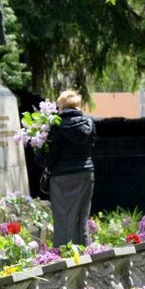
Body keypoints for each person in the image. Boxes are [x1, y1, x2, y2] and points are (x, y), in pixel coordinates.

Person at [38, 90, 96, 247]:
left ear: (61, 106)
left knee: (63, 219)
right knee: (82, 217)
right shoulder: (89, 124)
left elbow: (48, 158)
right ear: (77, 105)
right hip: (86, 173)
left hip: (61, 177)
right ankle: (84, 256)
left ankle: (65, 258)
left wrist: (39, 150)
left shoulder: (55, 127)